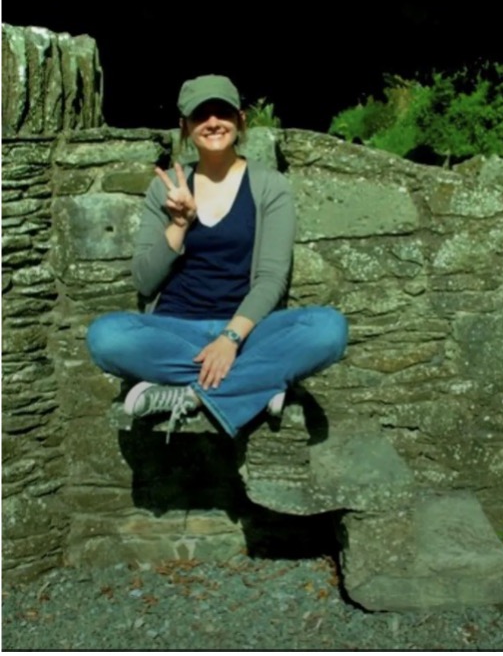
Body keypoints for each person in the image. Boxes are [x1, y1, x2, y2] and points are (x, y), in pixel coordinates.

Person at [86, 74, 348, 441]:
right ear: (185, 126)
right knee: (105, 337)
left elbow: (272, 279)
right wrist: (178, 225)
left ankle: (193, 395)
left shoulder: (269, 186)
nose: (212, 123)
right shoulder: (166, 187)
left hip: (249, 332)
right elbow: (144, 281)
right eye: (200, 115)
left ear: (240, 120)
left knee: (328, 329)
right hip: (177, 332)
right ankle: (261, 382)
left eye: (222, 113)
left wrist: (230, 339)